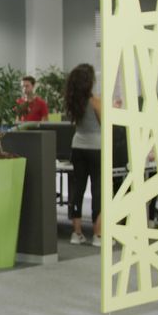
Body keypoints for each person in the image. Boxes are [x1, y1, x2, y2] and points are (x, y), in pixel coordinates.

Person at [65, 63, 101, 247]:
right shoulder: (95, 101)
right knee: (98, 190)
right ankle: (98, 235)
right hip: (96, 148)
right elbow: (105, 124)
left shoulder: (73, 101)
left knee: (78, 189)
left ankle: (76, 233)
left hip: (77, 146)